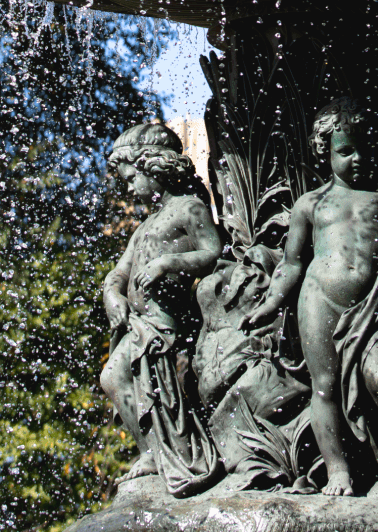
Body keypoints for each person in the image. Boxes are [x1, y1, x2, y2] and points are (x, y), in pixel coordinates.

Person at [242, 87, 378, 495]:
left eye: (366, 148)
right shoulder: (311, 204)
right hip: (320, 301)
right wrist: (270, 304)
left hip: (376, 305)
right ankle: (338, 471)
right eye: (346, 151)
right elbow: (293, 263)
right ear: (326, 151)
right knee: (325, 385)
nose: (358, 159)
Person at [100, 122, 224, 496]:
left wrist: (168, 263)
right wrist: (113, 295)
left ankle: (162, 451)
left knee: (118, 377)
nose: (130, 188)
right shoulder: (145, 225)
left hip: (167, 323)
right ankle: (151, 451)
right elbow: (118, 272)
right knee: (112, 378)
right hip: (139, 322)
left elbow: (213, 252)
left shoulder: (190, 208)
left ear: (155, 167)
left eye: (133, 177)